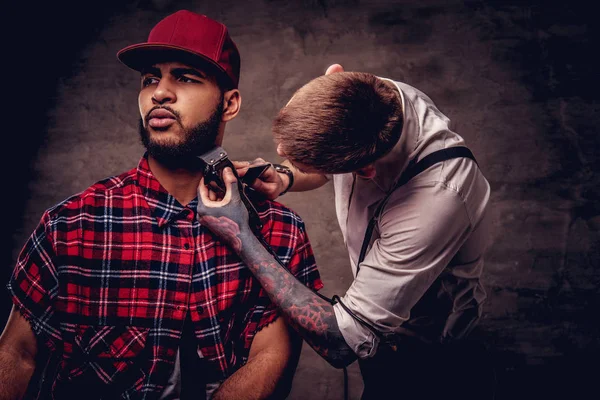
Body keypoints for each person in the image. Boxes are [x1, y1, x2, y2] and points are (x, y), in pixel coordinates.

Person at [0, 10, 323, 400]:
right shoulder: (72, 224)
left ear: (230, 103)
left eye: (185, 77)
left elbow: (272, 357)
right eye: (151, 78)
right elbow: (16, 354)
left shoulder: (277, 229)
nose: (159, 93)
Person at [195, 65, 493, 399]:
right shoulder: (366, 96)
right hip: (378, 312)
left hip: (423, 347)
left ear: (364, 171)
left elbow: (342, 342)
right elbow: (325, 167)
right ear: (333, 74)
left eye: (301, 163)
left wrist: (240, 234)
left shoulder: (439, 198)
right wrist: (285, 177)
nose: (279, 154)